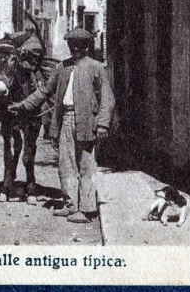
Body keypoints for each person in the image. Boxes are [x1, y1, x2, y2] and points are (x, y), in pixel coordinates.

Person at [8, 27, 115, 224]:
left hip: (87, 122)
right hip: (65, 119)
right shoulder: (62, 68)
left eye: (79, 45)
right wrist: (23, 105)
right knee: (65, 166)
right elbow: (44, 92)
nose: (75, 48)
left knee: (86, 166)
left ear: (86, 47)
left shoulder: (96, 68)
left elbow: (107, 99)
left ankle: (86, 209)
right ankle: (70, 205)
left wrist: (102, 125)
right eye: (71, 45)